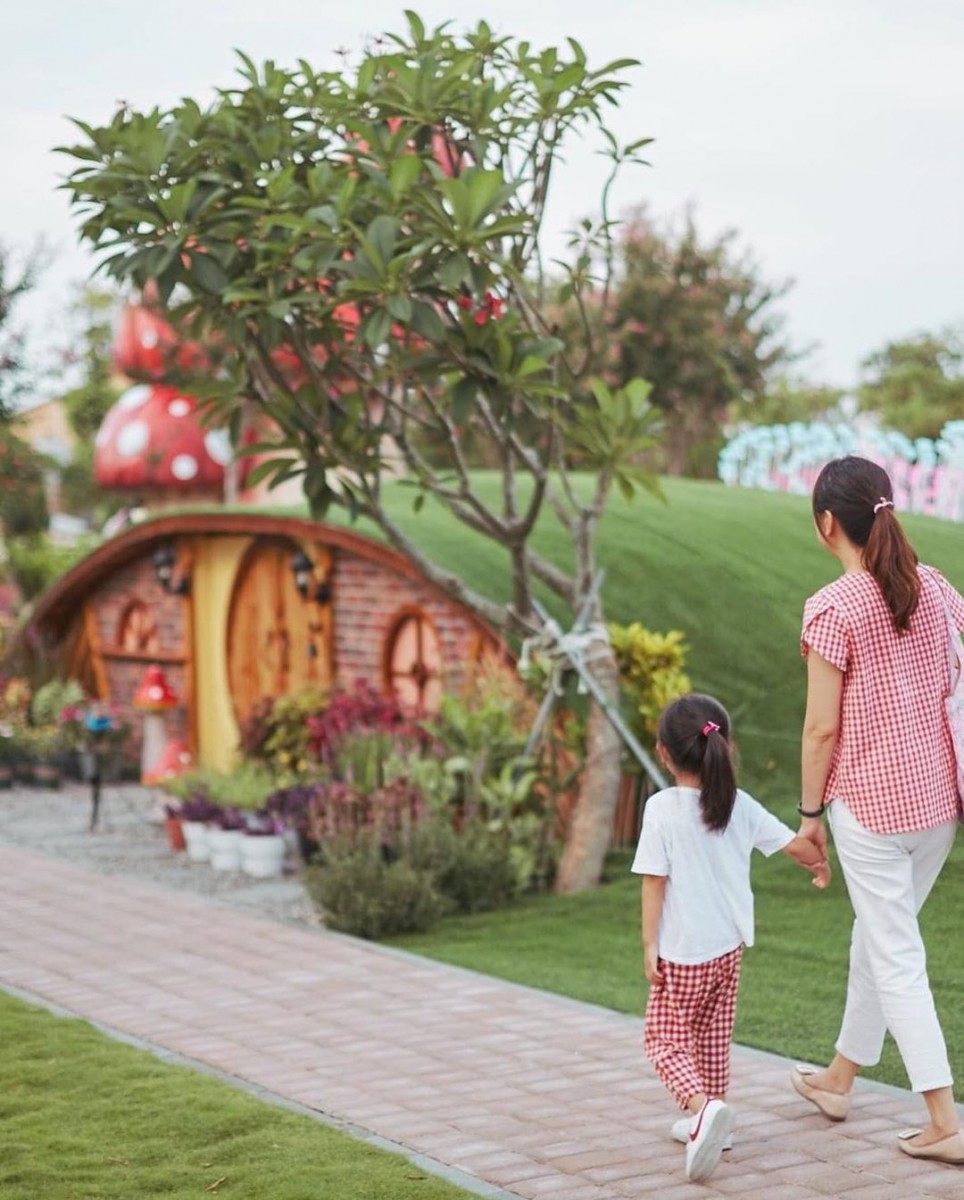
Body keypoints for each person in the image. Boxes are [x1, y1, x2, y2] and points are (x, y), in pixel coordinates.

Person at [793, 454, 964, 1164]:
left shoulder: (831, 608)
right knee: (878, 938)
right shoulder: (940, 588)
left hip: (870, 809)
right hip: (940, 805)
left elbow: (820, 729)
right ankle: (840, 1079)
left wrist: (809, 819)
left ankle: (945, 1121)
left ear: (828, 523)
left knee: (894, 954)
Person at [633, 692, 829, 1183]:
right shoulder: (737, 805)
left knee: (665, 1041)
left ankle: (702, 1112)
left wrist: (649, 945)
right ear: (726, 745)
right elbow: (795, 846)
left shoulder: (661, 809)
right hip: (728, 949)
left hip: (684, 953)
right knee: (712, 1040)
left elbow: (653, 882)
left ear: (663, 752)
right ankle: (718, 1116)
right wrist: (819, 860)